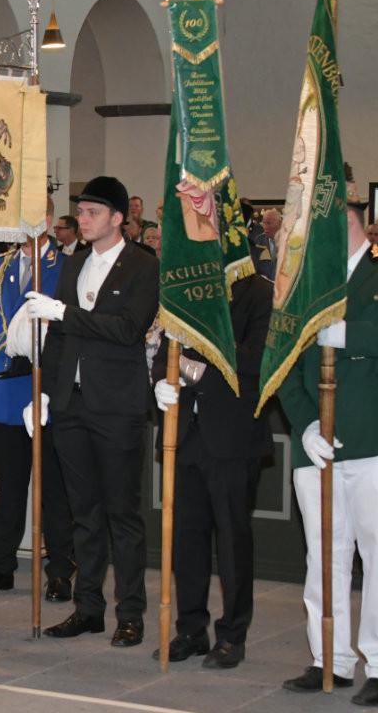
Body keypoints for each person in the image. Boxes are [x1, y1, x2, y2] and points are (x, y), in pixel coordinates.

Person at [277, 190, 378, 707]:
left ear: (346, 220)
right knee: (323, 557)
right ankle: (332, 659)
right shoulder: (302, 283)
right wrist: (304, 425)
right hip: (318, 442)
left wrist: (353, 334)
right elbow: (281, 361)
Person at [24, 175, 158, 648]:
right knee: (83, 512)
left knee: (122, 513)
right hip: (71, 403)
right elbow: (57, 339)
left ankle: (131, 613)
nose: (82, 220)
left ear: (118, 219)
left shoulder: (141, 265)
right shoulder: (71, 264)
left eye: (92, 212)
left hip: (117, 405)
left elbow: (127, 328)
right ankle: (88, 608)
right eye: (80, 212)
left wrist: (63, 314)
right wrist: (44, 392)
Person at [151, 272, 273, 669]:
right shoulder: (185, 288)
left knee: (233, 541)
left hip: (232, 435)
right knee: (187, 538)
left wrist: (199, 363)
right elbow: (165, 350)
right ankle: (190, 628)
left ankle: (233, 635)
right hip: (186, 432)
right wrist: (159, 383)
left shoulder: (258, 292)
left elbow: (259, 358)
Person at [0, 232, 75, 603]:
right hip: (3, 392)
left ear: (45, 220)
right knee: (7, 488)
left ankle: (60, 570)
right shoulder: (0, 265)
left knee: (54, 491)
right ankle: (1, 566)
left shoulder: (65, 265)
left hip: (45, 391)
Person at [253, 208, 281, 280]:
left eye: (268, 223)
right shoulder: (258, 240)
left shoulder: (288, 241)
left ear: (279, 223)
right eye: (263, 223)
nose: (265, 227)